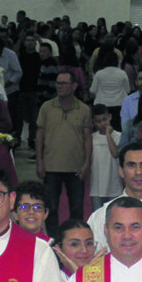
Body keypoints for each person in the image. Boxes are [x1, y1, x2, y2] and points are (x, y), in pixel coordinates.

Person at [36, 70, 93, 236]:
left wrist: (86, 163)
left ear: (74, 86)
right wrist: (39, 161)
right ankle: (53, 240)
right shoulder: (47, 108)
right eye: (58, 83)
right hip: (51, 166)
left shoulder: (83, 110)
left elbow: (87, 139)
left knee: (76, 208)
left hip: (75, 168)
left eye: (64, 83)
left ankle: (75, 237)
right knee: (51, 207)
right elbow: (39, 136)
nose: (60, 87)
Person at [89, 104, 124, 210]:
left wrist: (108, 134)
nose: (102, 124)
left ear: (110, 117)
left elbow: (115, 154)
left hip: (114, 185)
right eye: (98, 122)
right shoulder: (92, 138)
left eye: (104, 120)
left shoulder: (118, 136)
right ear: (94, 122)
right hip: (96, 186)